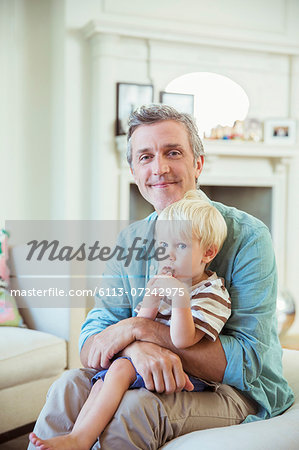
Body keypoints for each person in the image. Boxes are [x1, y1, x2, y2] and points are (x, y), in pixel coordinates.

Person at [28, 104, 293, 450]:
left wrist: (140, 330)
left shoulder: (247, 236)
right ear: (134, 171)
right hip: (144, 373)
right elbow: (94, 338)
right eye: (145, 157)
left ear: (197, 164)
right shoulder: (130, 241)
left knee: (135, 409)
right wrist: (136, 349)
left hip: (235, 391)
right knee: (67, 388)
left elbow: (246, 364)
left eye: (172, 153)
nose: (159, 168)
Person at [29, 192, 231, 449]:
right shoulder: (169, 284)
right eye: (163, 247)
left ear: (208, 253)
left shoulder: (211, 292)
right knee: (99, 382)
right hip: (151, 363)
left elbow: (182, 340)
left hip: (187, 374)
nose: (168, 255)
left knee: (120, 369)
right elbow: (140, 324)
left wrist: (179, 297)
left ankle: (81, 439)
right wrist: (152, 296)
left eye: (180, 246)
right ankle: (76, 436)